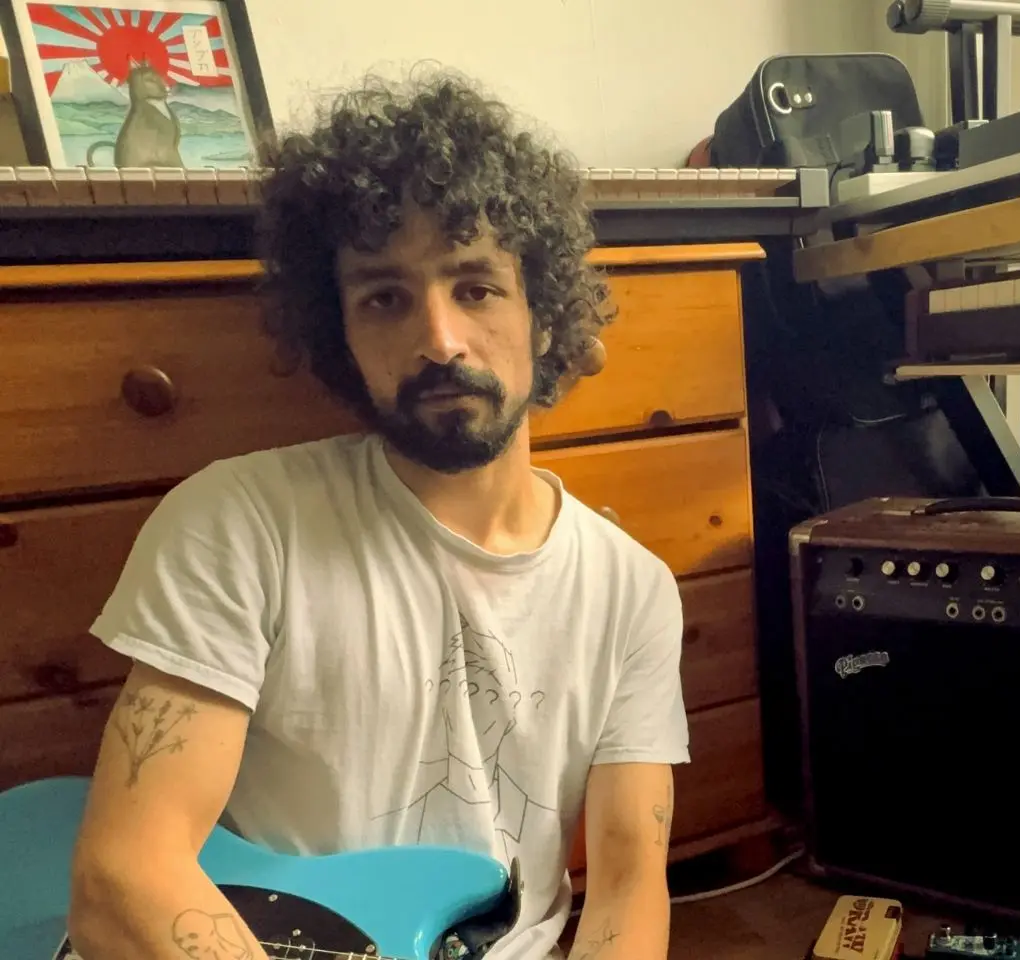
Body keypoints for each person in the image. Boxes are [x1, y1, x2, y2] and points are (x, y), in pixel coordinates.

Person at [66, 70, 688, 960]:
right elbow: (122, 877)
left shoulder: (634, 590)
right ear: (341, 334)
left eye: (475, 287)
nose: (439, 339)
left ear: (543, 316)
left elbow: (629, 887)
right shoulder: (238, 524)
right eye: (385, 297)